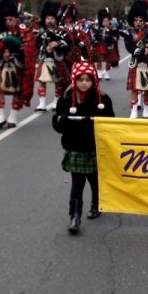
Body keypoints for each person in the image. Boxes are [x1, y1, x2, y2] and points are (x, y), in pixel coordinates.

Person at [52, 60, 115, 234]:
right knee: (77, 183)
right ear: (74, 80)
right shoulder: (65, 100)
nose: (84, 83)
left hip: (95, 148)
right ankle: (74, 216)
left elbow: (111, 122)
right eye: (80, 79)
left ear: (93, 80)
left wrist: (97, 119)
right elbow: (57, 125)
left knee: (94, 180)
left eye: (87, 79)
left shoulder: (103, 99)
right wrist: (62, 120)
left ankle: (96, 204)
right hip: (75, 147)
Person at [0, 0, 37, 130]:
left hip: (17, 64)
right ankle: (0, 117)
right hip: (1, 65)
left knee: (17, 91)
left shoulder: (24, 31)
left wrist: (17, 52)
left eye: (11, 19)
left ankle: (13, 116)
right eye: (6, 19)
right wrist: (0, 53)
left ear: (16, 18)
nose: (8, 22)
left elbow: (29, 47)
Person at [34, 0, 71, 111]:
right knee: (42, 81)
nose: (49, 21)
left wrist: (57, 44)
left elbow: (68, 43)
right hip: (45, 58)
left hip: (57, 59)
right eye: (47, 18)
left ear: (56, 19)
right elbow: (36, 44)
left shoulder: (62, 31)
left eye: (51, 18)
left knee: (58, 82)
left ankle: (56, 102)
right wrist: (44, 47)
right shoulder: (41, 31)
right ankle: (42, 103)